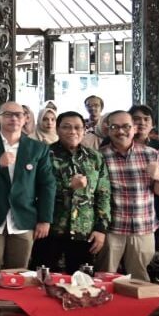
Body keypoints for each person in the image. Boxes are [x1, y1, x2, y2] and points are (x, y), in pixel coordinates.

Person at [0, 101, 55, 272]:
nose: (13, 118)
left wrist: (45, 219)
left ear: (25, 119)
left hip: (23, 218)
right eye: (7, 114)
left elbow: (47, 185)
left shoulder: (38, 148)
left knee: (19, 273)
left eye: (18, 114)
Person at [30, 111, 110, 274]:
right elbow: (35, 189)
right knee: (43, 278)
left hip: (84, 230)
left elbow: (103, 194)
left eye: (77, 127)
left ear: (84, 130)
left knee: (82, 282)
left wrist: (101, 229)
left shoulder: (95, 158)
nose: (72, 131)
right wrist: (69, 186)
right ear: (57, 130)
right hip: (50, 229)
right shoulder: (44, 154)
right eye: (66, 127)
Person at [99, 111, 159, 283]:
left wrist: (158, 177)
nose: (121, 131)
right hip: (111, 228)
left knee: (139, 280)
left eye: (126, 126)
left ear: (134, 128)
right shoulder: (99, 156)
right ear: (108, 130)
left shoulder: (151, 154)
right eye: (115, 127)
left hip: (142, 226)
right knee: (104, 278)